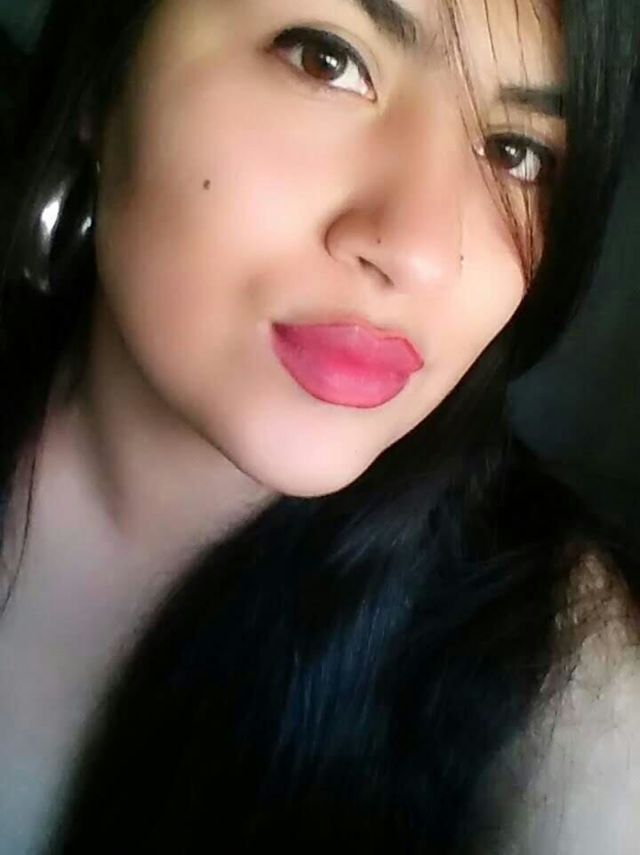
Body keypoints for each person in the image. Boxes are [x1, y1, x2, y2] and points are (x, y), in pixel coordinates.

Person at [0, 0, 638, 852]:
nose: (419, 251)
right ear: (105, 79)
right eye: (326, 60)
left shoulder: (566, 676)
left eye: (515, 152)